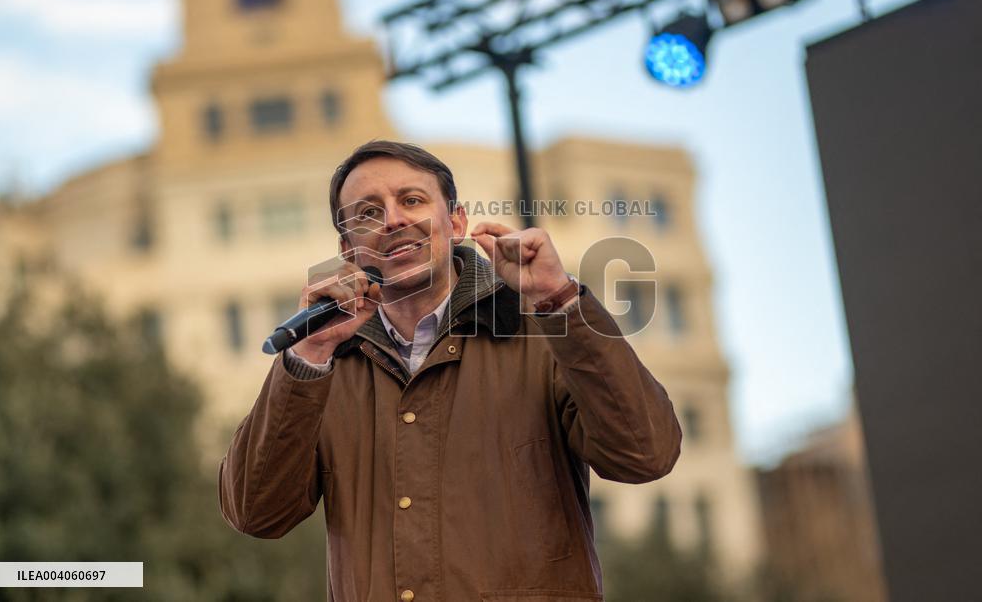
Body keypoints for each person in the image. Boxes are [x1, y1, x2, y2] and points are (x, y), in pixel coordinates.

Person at [219, 140, 682, 602]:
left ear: (456, 222)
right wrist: (307, 356)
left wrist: (559, 300)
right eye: (368, 213)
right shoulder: (323, 367)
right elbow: (256, 512)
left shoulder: (544, 331)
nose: (393, 220)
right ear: (347, 249)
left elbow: (645, 455)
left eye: (412, 200)